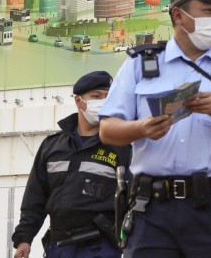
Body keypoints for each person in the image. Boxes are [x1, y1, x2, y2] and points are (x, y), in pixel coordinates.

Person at [99, 0, 211, 257]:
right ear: (179, 15)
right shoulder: (141, 63)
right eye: (208, 11)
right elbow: (107, 130)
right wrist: (142, 128)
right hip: (151, 210)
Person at [12, 70, 130, 258]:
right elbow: (35, 199)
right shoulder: (52, 147)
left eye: (108, 97)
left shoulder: (121, 147)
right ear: (78, 101)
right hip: (58, 246)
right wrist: (24, 239)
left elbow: (132, 202)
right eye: (96, 96)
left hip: (100, 248)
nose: (103, 102)